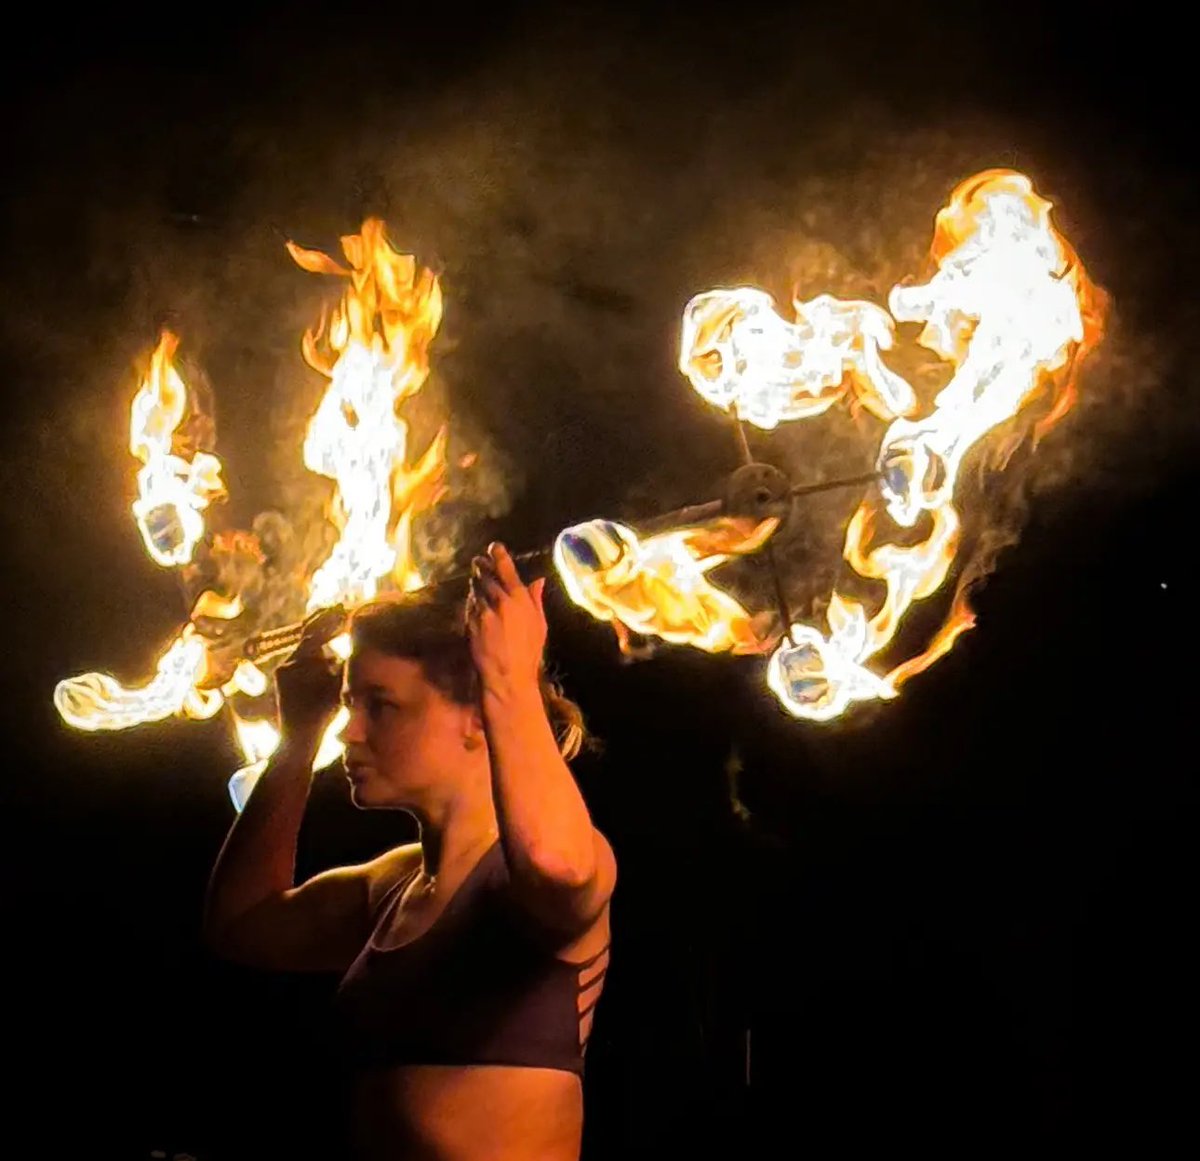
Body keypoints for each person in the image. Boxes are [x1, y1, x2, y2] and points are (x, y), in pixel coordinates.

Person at [204, 543, 617, 1160]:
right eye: (349, 703)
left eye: (381, 704)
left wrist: (508, 674)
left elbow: (557, 866)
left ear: (475, 716)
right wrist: (298, 735)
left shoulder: (535, 869)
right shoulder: (391, 885)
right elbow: (241, 925)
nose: (351, 730)